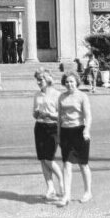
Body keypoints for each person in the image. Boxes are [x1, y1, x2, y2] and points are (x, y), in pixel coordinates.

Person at [57, 71, 93, 206]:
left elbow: (88, 116)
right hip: (65, 132)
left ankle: (88, 192)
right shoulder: (61, 97)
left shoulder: (82, 96)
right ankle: (66, 195)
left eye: (71, 81)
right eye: (66, 82)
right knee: (66, 164)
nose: (69, 84)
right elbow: (59, 118)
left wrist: (86, 130)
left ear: (76, 82)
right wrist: (58, 135)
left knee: (83, 164)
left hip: (79, 132)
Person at [32, 69, 63, 200]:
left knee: (49, 159)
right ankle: (50, 188)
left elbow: (61, 115)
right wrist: (36, 113)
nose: (38, 82)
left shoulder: (57, 95)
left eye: (41, 79)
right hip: (39, 127)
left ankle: (62, 181)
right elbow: (34, 114)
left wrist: (49, 114)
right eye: (37, 80)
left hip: (52, 127)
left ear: (48, 79)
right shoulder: (37, 95)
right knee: (42, 159)